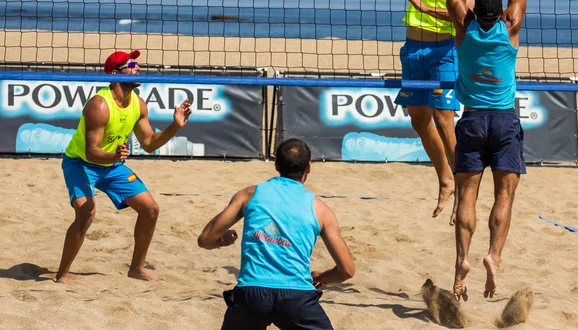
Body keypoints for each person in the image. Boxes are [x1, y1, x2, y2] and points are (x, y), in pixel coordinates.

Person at [442, 0, 527, 301]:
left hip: (472, 121)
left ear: (475, 12)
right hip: (505, 122)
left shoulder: (463, 28)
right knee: (504, 197)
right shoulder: (510, 28)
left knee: (466, 198)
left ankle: (462, 260)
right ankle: (492, 256)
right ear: (504, 15)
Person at [56, 50, 192, 284]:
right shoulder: (99, 105)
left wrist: (174, 127)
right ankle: (63, 274)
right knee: (86, 213)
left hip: (111, 164)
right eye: (131, 64)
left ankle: (136, 269)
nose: (138, 68)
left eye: (138, 64)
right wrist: (114, 155)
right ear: (114, 73)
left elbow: (149, 144)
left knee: (151, 209)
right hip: (81, 163)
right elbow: (92, 151)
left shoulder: (138, 104)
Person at [396, 0, 493, 222]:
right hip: (413, 49)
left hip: (444, 52)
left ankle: (464, 187)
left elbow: (466, 15)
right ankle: (445, 179)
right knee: (418, 121)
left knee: (444, 119)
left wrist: (424, 9)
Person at [198, 137, 355, 330]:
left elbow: (205, 240)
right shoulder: (321, 210)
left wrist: (222, 241)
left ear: (276, 165)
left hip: (251, 295)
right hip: (297, 298)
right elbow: (347, 270)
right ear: (308, 167)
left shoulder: (248, 195)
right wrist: (323, 276)